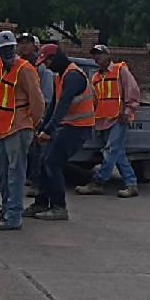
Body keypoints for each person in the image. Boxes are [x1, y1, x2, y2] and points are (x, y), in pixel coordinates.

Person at [27, 44, 94, 221]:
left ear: (56, 57)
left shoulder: (73, 76)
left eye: (48, 61)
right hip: (67, 126)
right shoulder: (60, 77)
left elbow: (62, 107)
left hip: (78, 128)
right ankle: (41, 203)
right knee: (42, 162)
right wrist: (41, 126)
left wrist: (48, 130)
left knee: (52, 162)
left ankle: (59, 207)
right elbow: (53, 107)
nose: (47, 65)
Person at [0, 31, 45, 231]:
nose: (7, 53)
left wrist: (32, 123)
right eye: (3, 49)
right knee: (0, 169)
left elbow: (38, 102)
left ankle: (13, 215)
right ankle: (6, 208)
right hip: (2, 126)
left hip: (19, 127)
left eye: (9, 49)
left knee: (16, 172)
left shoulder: (25, 70)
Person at [75, 45, 141, 198]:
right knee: (117, 154)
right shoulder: (96, 77)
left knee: (110, 150)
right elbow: (94, 100)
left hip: (119, 118)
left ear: (107, 55)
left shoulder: (120, 70)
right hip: (102, 121)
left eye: (99, 54)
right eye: (94, 55)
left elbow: (133, 91)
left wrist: (128, 112)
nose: (96, 58)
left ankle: (98, 182)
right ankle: (131, 184)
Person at [16, 33, 54, 198]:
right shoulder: (15, 64)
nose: (24, 46)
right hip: (18, 116)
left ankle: (36, 183)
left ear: (34, 46)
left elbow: (45, 96)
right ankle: (24, 178)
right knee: (20, 150)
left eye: (27, 43)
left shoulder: (40, 68)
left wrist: (39, 117)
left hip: (35, 115)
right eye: (21, 43)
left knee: (36, 151)